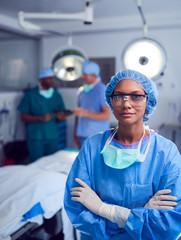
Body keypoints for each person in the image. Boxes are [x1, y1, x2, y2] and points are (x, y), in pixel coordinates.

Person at [64, 69, 181, 240]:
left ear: (148, 100)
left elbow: (170, 223)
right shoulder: (92, 147)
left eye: (136, 96)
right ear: (111, 101)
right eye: (118, 96)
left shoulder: (166, 153)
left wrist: (105, 210)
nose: (126, 104)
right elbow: (77, 208)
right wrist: (140, 216)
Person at [18, 67, 67, 163]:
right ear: (41, 79)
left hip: (52, 137)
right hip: (36, 138)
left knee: (52, 164)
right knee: (35, 164)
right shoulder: (30, 95)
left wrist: (61, 117)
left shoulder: (57, 95)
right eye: (49, 78)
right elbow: (23, 116)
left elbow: (62, 115)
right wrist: (40, 118)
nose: (52, 81)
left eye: (52, 78)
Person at [73, 61, 110, 148]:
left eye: (85, 74)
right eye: (82, 74)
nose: (82, 77)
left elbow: (106, 115)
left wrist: (85, 113)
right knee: (83, 161)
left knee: (95, 161)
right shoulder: (82, 91)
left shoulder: (102, 90)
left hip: (97, 137)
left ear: (93, 75)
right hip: (82, 135)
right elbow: (78, 114)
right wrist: (75, 133)